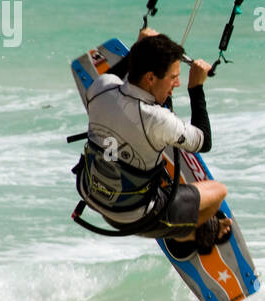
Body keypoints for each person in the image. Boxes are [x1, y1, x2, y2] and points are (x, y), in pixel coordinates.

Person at [76, 29, 231, 257]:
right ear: (150, 78)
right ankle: (187, 235)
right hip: (131, 216)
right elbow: (203, 141)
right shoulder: (158, 121)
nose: (177, 83)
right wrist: (196, 88)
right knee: (218, 193)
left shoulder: (100, 87)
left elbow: (122, 75)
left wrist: (141, 47)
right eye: (173, 77)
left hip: (90, 193)